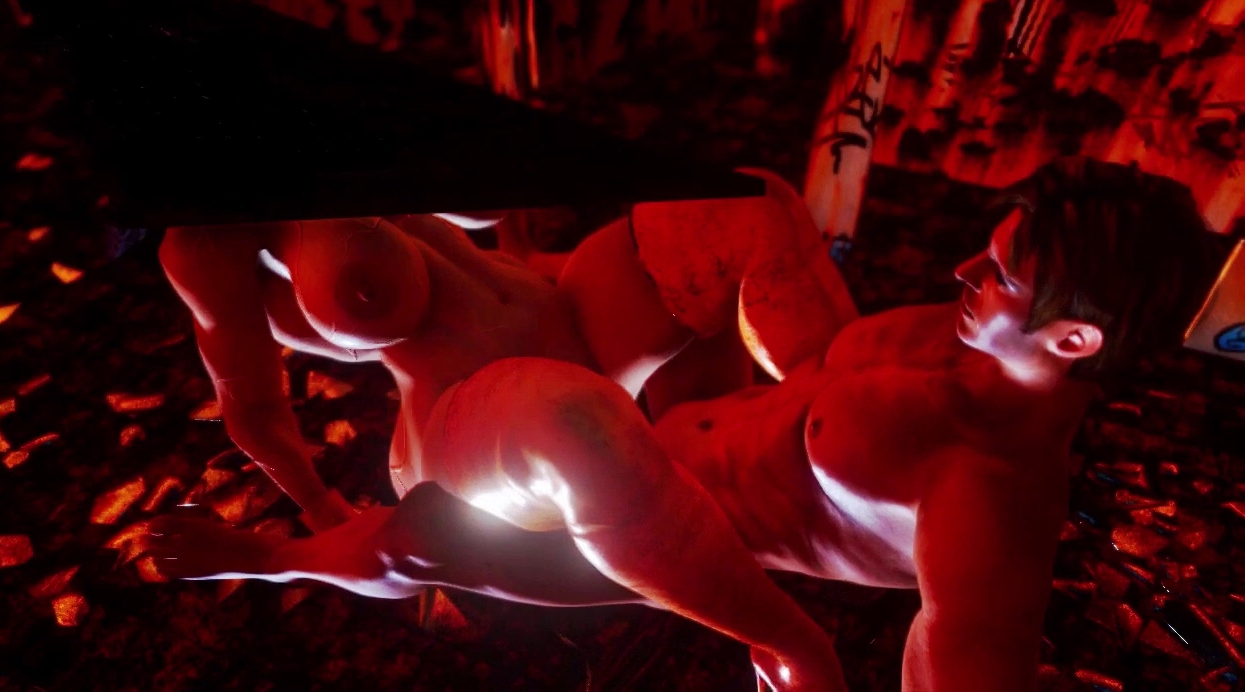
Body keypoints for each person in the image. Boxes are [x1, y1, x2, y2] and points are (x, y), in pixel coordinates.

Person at [145, 158, 1211, 691]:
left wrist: (795, 655)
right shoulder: (956, 337)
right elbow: (817, 369)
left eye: (999, 274)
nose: (962, 269)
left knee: (433, 524)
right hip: (668, 412)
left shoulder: (988, 502)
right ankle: (553, 306)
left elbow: (966, 663)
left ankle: (268, 554)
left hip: (658, 541)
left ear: (1073, 339)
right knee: (742, 197)